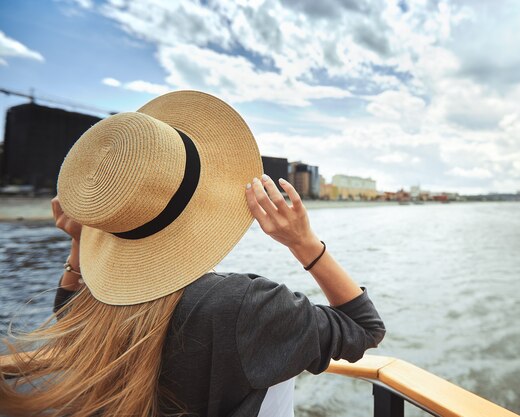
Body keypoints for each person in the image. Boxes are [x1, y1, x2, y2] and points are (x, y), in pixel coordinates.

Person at [0, 90, 385, 417]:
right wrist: (304, 243)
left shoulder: (103, 306)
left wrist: (79, 246)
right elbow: (365, 329)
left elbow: (69, 319)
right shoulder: (245, 307)